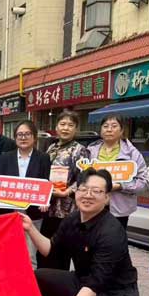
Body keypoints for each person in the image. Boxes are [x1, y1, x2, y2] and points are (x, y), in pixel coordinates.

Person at [22, 168, 139, 296]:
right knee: (38, 276)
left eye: (96, 191)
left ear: (107, 198)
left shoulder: (111, 232)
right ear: (76, 192)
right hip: (83, 283)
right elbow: (50, 250)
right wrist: (30, 228)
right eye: (83, 189)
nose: (88, 195)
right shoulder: (73, 219)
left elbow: (96, 282)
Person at [38, 110, 89, 270]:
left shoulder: (80, 150)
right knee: (45, 247)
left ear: (76, 128)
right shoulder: (51, 148)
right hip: (48, 206)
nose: (66, 128)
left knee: (61, 251)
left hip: (66, 209)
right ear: (56, 127)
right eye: (62, 124)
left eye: (70, 125)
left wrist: (67, 191)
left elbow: (84, 177)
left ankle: (59, 281)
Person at [0, 120, 50, 269]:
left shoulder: (43, 158)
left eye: (27, 134)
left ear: (34, 137)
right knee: (8, 250)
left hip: (33, 212)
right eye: (20, 134)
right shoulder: (5, 157)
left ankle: (30, 279)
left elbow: (47, 182)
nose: (23, 137)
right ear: (15, 137)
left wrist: (45, 201)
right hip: (9, 212)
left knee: (30, 254)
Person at [87, 115, 149, 229]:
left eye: (114, 126)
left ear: (121, 130)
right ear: (100, 130)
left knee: (114, 238)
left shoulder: (132, 153)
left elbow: (143, 181)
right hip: (92, 205)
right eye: (105, 126)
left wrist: (121, 186)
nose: (109, 129)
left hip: (119, 209)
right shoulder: (90, 151)